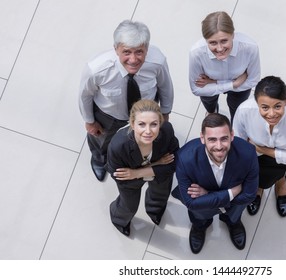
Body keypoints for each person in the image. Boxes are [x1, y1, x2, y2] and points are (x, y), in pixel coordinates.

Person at [79, 20, 174, 181]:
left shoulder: (157, 61)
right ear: (116, 49)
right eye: (127, 52)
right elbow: (85, 95)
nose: (133, 59)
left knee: (143, 138)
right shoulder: (97, 69)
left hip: (146, 113)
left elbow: (166, 87)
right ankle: (100, 159)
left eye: (139, 52)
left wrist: (165, 112)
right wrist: (89, 121)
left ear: (147, 49)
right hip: (109, 116)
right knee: (100, 141)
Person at [172, 113, 258, 254]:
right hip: (205, 208)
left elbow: (249, 195)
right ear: (202, 138)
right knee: (199, 215)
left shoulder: (248, 153)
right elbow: (191, 203)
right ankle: (200, 226)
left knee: (234, 213)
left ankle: (232, 222)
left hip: (233, 206)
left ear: (232, 135)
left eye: (224, 139)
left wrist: (207, 195)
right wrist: (231, 193)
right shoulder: (184, 158)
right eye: (212, 139)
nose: (219, 146)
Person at [233, 76, 286, 217]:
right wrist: (285, 151)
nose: (272, 114)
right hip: (259, 156)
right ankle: (259, 188)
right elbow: (239, 144)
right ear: (256, 103)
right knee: (258, 176)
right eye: (264, 107)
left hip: (283, 160)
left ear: (285, 102)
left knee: (285, 174)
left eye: (277, 106)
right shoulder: (244, 111)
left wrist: (261, 148)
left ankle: (281, 184)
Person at [106, 99, 179, 237]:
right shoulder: (118, 146)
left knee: (161, 195)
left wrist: (136, 172)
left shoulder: (167, 130)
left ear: (160, 123)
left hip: (156, 176)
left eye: (154, 124)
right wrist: (158, 164)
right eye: (141, 124)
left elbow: (175, 162)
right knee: (129, 206)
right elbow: (120, 177)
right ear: (132, 124)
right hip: (131, 183)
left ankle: (155, 211)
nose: (148, 131)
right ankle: (119, 220)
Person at [189, 11, 260, 123]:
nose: (220, 49)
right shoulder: (196, 53)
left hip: (237, 89)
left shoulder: (250, 48)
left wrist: (214, 82)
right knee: (209, 105)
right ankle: (212, 112)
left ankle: (235, 122)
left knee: (236, 110)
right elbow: (196, 89)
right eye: (213, 43)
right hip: (237, 84)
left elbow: (253, 81)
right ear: (205, 40)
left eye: (224, 41)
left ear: (233, 35)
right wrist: (233, 84)